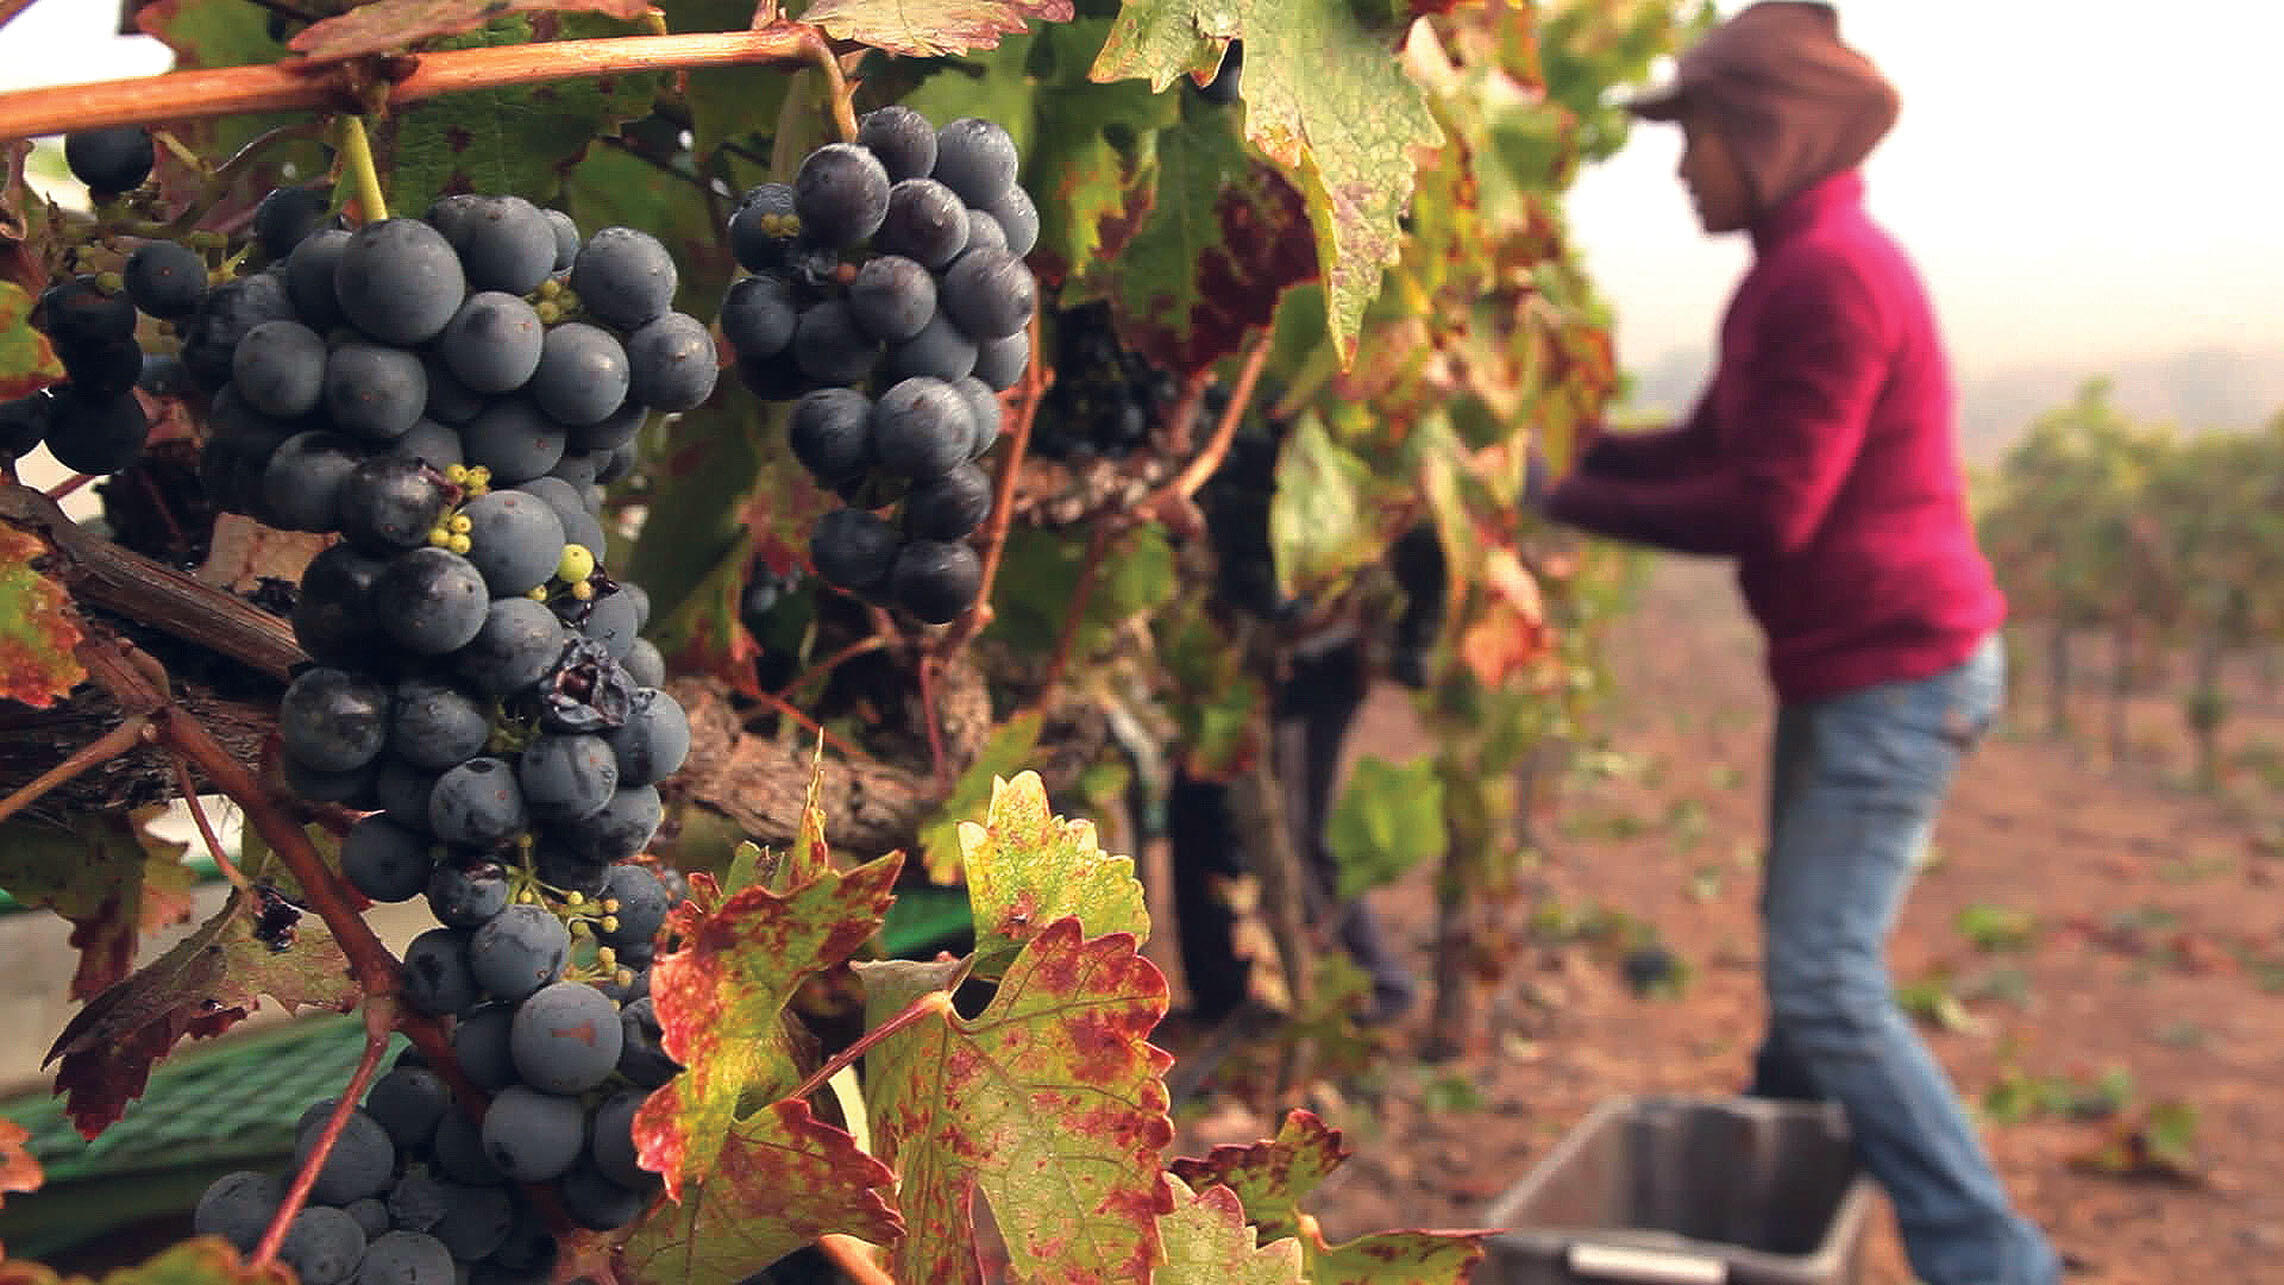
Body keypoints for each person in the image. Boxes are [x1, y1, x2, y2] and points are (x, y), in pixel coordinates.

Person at [1536, 5, 2063, 1284]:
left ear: (1763, 136)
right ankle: (1776, 1218)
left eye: (1695, 137)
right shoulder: (1796, 266)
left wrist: (1557, 498)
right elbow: (1708, 447)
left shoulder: (1830, 275)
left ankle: (1995, 1264)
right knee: (1803, 975)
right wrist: (1567, 446)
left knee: (1823, 977)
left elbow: (1766, 503)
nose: (1679, 166)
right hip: (1860, 664)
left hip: (1899, 669)